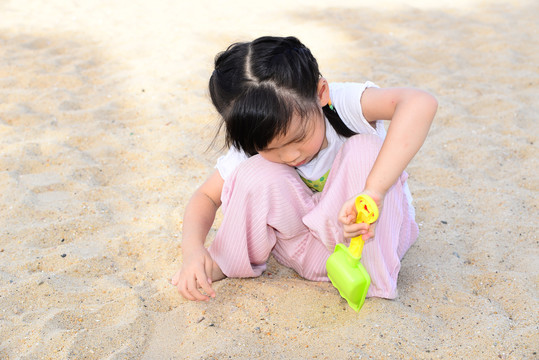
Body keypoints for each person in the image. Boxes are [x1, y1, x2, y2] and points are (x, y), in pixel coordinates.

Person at [172, 36, 437, 302]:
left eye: (298, 138)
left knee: (365, 149)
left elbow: (420, 103)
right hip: (308, 251)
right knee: (255, 173)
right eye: (271, 149)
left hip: (368, 243)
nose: (290, 155)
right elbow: (205, 197)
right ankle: (224, 262)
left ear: (320, 93)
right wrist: (192, 249)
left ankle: (376, 285)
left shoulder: (341, 103)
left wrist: (374, 190)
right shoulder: (256, 135)